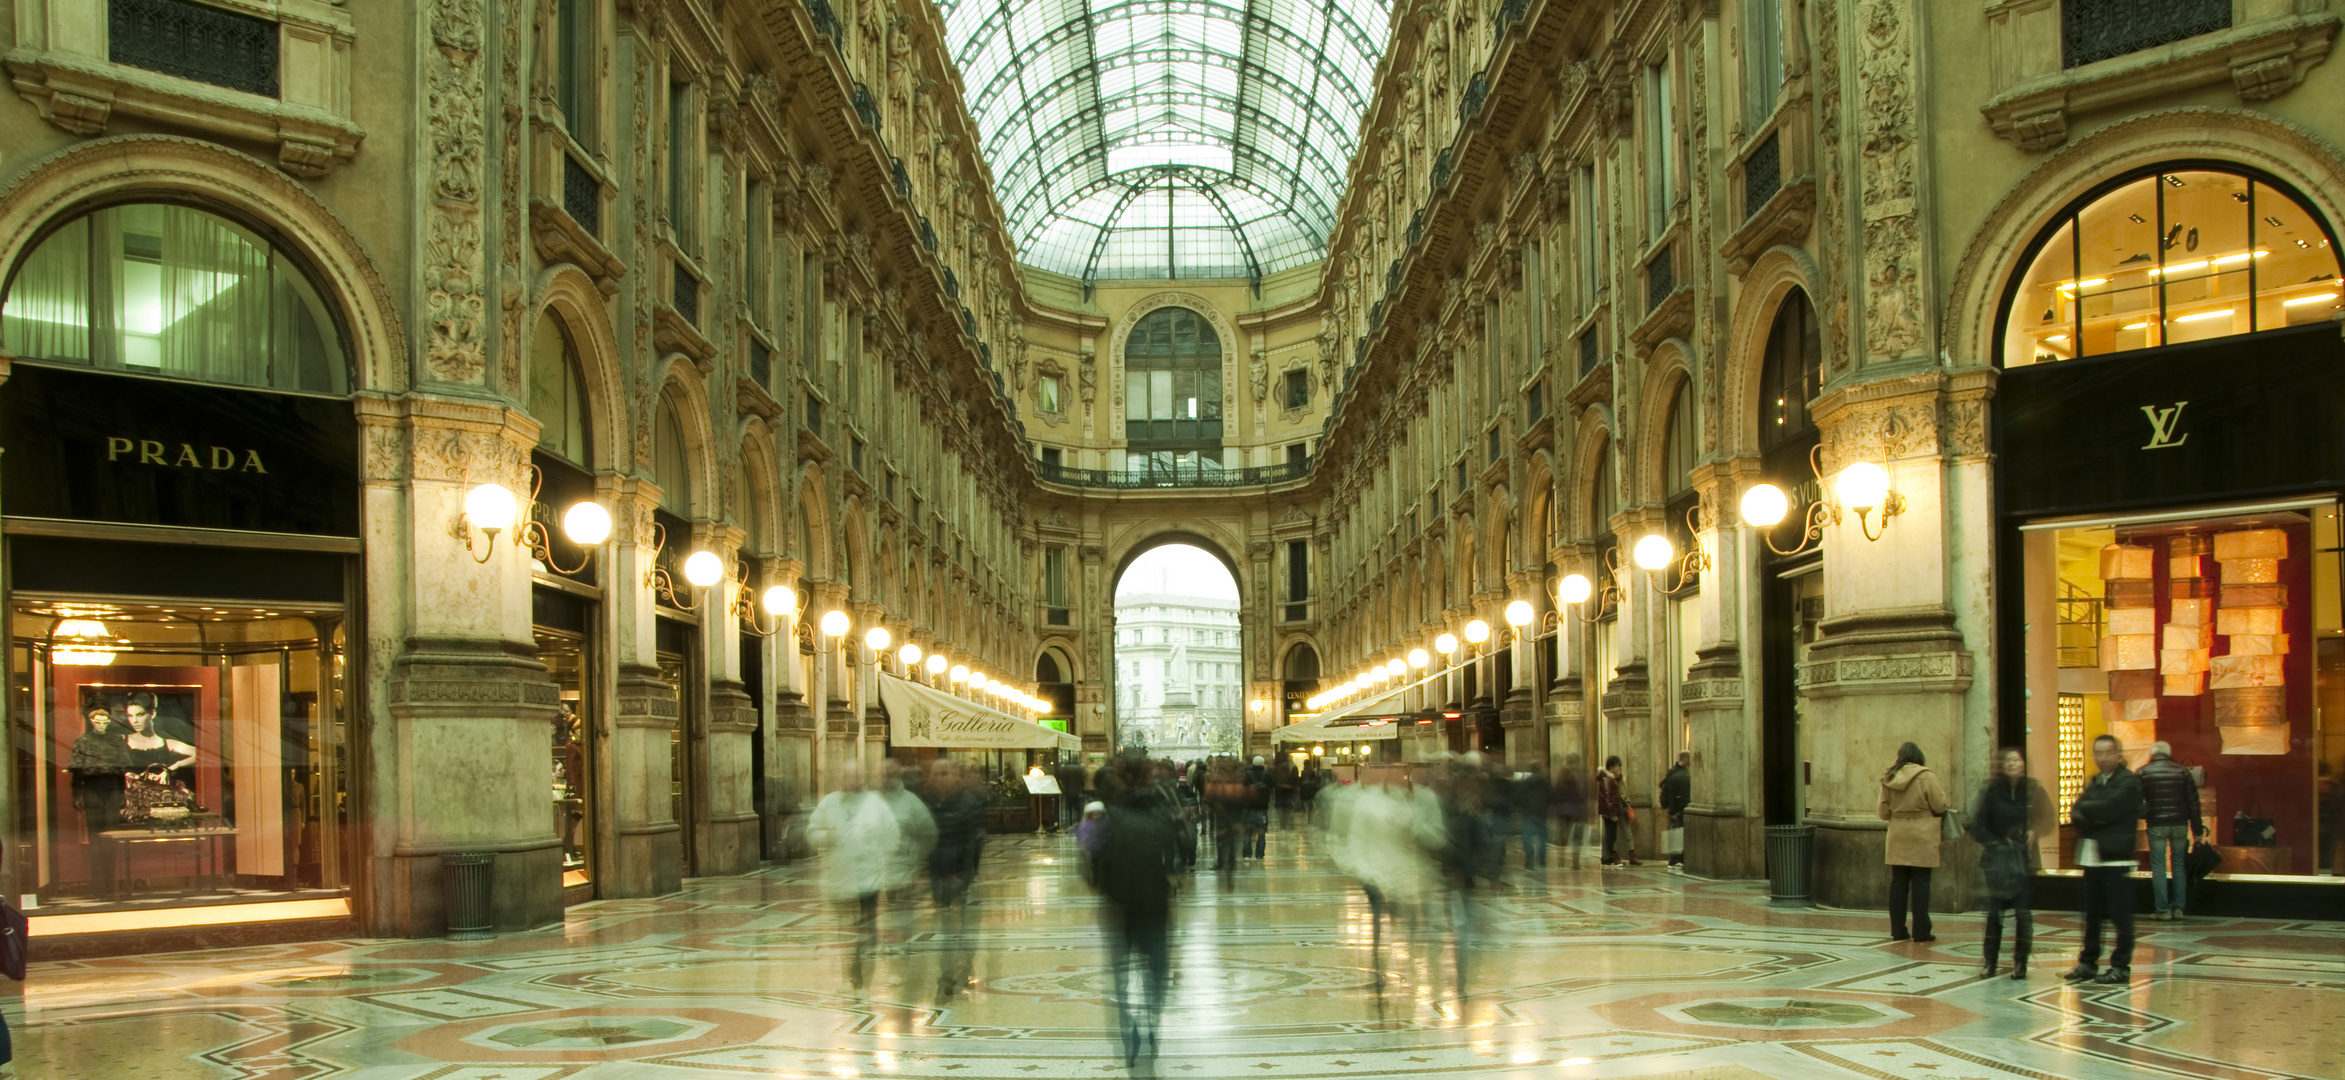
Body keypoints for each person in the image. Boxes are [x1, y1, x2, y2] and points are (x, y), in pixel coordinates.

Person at [1095, 755, 1181, 1068]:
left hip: (1118, 901)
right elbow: (1178, 842)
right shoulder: (1161, 806)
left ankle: (1127, 1027)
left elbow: (1090, 855)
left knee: (1120, 970)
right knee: (1156, 968)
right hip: (1154, 899)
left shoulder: (1103, 810)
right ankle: (1151, 1021)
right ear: (1148, 777)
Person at [807, 767, 903, 990]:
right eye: (847, 776)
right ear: (840, 779)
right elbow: (812, 832)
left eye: (856, 776)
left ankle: (864, 976)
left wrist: (879, 856)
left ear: (862, 779)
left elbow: (892, 833)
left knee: (867, 928)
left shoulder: (875, 803)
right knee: (846, 930)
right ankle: (849, 977)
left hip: (869, 879)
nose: (852, 781)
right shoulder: (829, 803)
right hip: (840, 878)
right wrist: (826, 836)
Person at [1968, 746, 2053, 980]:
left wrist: (2034, 831)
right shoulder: (1992, 791)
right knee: (1995, 913)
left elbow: (2046, 818)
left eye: (2018, 760)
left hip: (2023, 861)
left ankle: (2020, 962)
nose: (2014, 764)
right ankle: (1990, 961)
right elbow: (1979, 823)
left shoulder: (2033, 789)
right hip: (1998, 861)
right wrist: (1996, 843)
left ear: (2024, 764)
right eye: (2009, 761)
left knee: (2023, 913)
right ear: (2002, 766)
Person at [2066, 734, 2144, 985]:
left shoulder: (2128, 782)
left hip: (2115, 858)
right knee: (2092, 915)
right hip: (2092, 857)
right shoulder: (2095, 781)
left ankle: (2120, 965)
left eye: (2107, 752)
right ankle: (2088, 962)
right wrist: (2092, 814)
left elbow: (2111, 808)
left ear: (2118, 754)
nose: (2101, 757)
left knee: (2120, 916)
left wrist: (2091, 811)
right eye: (2097, 753)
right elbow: (2076, 810)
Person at [1877, 741, 1949, 942]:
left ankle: (1898, 930)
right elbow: (1940, 805)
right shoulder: (1926, 776)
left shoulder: (1889, 778)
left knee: (1898, 881)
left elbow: (1883, 812)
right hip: (1922, 833)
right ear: (1919, 757)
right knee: (1921, 881)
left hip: (1898, 833)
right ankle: (1921, 931)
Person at [66, 704, 131, 900]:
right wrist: (77, 795)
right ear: (91, 721)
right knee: (95, 839)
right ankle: (99, 889)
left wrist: (123, 794)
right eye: (97, 721)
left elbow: (122, 771)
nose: (101, 724)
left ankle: (111, 888)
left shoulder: (116, 741)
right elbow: (77, 773)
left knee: (111, 839)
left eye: (105, 721)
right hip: (92, 791)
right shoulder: (83, 742)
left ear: (109, 722)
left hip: (113, 791)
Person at [2137, 742, 2203, 921]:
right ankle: (2178, 908)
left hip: (2156, 824)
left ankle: (2162, 910)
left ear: (2152, 754)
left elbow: (2135, 801)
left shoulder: (2143, 772)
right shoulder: (2182, 772)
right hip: (2180, 824)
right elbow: (2193, 803)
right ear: (2169, 753)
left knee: (2158, 867)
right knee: (2179, 866)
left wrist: (2147, 812)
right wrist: (2197, 829)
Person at [1596, 756, 1638, 866]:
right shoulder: (1607, 780)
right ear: (1611, 768)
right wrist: (1613, 813)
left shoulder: (1619, 780)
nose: (1620, 770)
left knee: (1619, 833)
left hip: (1620, 808)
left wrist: (1626, 800)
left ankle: (1629, 855)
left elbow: (1623, 792)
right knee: (1610, 834)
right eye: (1618, 768)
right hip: (1612, 811)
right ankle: (1610, 857)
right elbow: (1609, 798)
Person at [1512, 762, 1552, 871]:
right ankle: (1542, 860)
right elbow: (1551, 796)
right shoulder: (1545, 782)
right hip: (1541, 812)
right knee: (1542, 837)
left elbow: (1518, 796)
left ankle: (1529, 858)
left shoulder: (1525, 782)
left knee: (1527, 836)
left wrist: (1519, 808)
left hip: (1528, 812)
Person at [1552, 755, 1590, 869]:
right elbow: (1586, 793)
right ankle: (1575, 862)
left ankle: (1561, 861)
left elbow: (1556, 793)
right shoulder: (1583, 776)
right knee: (1577, 838)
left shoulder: (1561, 775)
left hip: (1564, 810)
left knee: (1562, 837)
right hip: (1578, 810)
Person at [1658, 752, 1692, 871]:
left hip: (1679, 809)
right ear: (1684, 758)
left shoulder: (1675, 772)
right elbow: (1670, 794)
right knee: (1675, 834)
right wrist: (1672, 811)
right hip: (1677, 810)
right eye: (1689, 758)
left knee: (1677, 834)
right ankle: (1674, 859)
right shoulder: (1676, 774)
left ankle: (1678, 859)